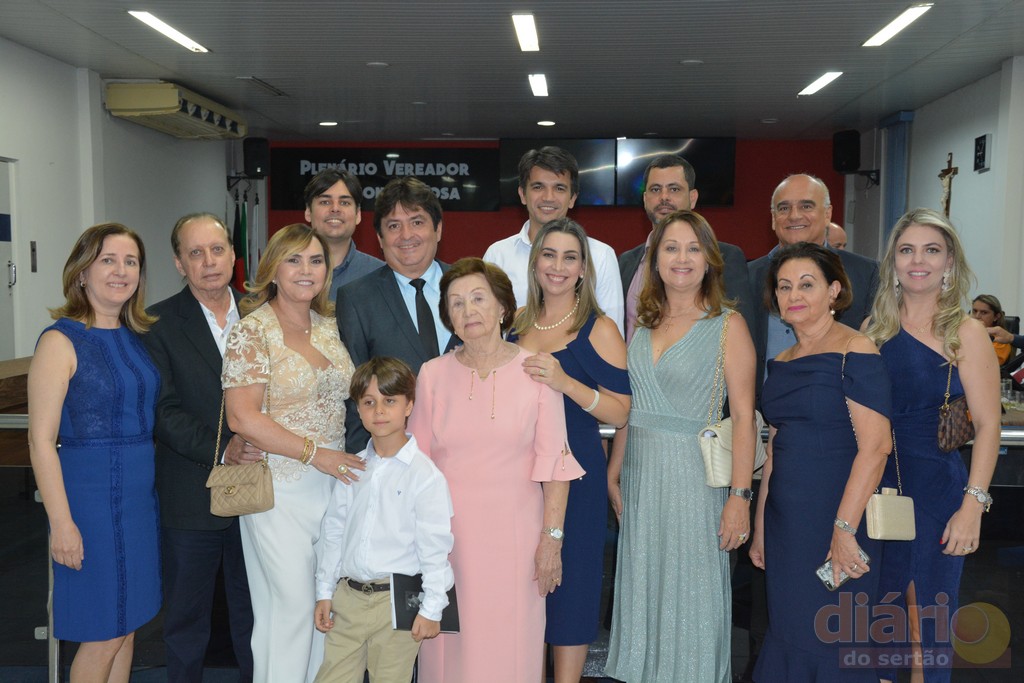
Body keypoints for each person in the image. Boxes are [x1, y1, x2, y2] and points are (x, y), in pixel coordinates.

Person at [408, 257, 585, 683]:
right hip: (445, 542)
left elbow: (555, 467)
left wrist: (551, 541)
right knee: (448, 653)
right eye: (456, 303)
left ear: (503, 307)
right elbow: (414, 469)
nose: (467, 310)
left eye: (478, 298)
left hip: (516, 542)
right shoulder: (432, 375)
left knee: (511, 651)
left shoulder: (537, 371)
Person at [606, 210, 757, 682]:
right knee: (645, 593)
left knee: (692, 597)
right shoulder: (643, 324)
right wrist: (614, 471)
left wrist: (740, 497)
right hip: (641, 480)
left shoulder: (728, 325)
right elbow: (633, 405)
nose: (682, 258)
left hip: (695, 483)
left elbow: (744, 419)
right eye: (671, 248)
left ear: (710, 259)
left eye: (693, 248)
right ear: (655, 259)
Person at [222, 224, 363, 683]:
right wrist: (315, 454)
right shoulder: (251, 331)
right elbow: (242, 417)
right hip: (278, 490)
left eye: (316, 260)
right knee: (292, 609)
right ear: (273, 269)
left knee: (324, 607)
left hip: (334, 487)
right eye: (294, 260)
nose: (306, 270)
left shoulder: (330, 327)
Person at [865, 208, 1000, 683]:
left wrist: (973, 506)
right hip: (878, 492)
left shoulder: (965, 332)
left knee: (927, 621)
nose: (918, 260)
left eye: (931, 250)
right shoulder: (872, 330)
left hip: (937, 493)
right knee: (880, 621)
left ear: (949, 263)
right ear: (893, 263)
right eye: (907, 250)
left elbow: (989, 425)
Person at [749, 242, 892, 681]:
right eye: (784, 286)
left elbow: (876, 447)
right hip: (786, 525)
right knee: (790, 631)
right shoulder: (781, 361)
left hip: (839, 516)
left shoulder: (856, 349)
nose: (793, 295)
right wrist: (761, 529)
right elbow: (774, 450)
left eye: (807, 284)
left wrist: (844, 530)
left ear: (834, 291)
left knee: (836, 638)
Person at [28, 223, 161, 682]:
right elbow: (40, 441)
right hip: (89, 508)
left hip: (138, 506)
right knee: (102, 633)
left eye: (130, 262)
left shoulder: (133, 336)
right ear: (82, 272)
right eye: (108, 260)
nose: (121, 271)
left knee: (127, 629)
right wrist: (61, 523)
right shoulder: (60, 341)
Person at [509, 218, 631, 683]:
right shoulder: (515, 322)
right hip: (515, 475)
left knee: (571, 589)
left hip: (577, 474)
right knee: (521, 588)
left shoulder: (599, 328)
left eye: (570, 257)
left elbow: (621, 412)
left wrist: (566, 383)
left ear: (583, 269)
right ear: (534, 262)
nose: (557, 266)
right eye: (549, 255)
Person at [143, 213, 255, 682]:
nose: (209, 262)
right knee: (187, 623)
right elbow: (162, 410)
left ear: (233, 254)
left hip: (262, 494)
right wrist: (224, 449)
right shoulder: (156, 323)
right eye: (195, 253)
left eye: (217, 249)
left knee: (256, 617)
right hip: (192, 495)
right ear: (179, 263)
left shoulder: (263, 312)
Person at [313, 357, 454, 683]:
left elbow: (435, 547)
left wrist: (432, 608)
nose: (379, 411)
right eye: (369, 402)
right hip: (348, 600)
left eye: (389, 401)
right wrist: (324, 591)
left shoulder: (425, 476)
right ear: (359, 410)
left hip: (397, 604)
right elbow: (334, 531)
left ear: (409, 406)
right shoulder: (353, 468)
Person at [337, 177, 458, 453]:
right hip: (395, 456)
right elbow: (354, 392)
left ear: (438, 229)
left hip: (471, 451)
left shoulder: (471, 286)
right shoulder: (357, 299)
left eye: (417, 222)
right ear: (380, 239)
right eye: (393, 226)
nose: (406, 235)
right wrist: (365, 463)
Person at [748, 174, 880, 389]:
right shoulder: (746, 276)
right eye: (784, 208)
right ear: (773, 218)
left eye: (806, 206)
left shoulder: (866, 273)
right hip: (765, 406)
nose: (794, 215)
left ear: (827, 214)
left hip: (840, 404)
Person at [484, 146, 624, 335]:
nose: (548, 197)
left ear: (572, 198)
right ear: (522, 194)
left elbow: (613, 333)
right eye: (538, 187)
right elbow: (485, 326)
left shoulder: (600, 255)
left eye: (559, 188)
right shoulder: (497, 255)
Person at [618, 154, 753, 343]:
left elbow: (744, 338)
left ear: (692, 198)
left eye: (674, 189)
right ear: (645, 199)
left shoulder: (726, 258)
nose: (664, 197)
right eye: (655, 189)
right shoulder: (625, 262)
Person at [303, 168, 384, 300]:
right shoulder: (288, 272)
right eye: (325, 202)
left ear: (358, 214)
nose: (335, 209)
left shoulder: (381, 275)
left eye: (344, 203)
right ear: (308, 212)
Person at [971, 294, 1013, 364]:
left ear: (996, 317)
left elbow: (984, 363)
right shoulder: (964, 332)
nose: (977, 316)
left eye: (984, 312)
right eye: (975, 311)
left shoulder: (1001, 341)